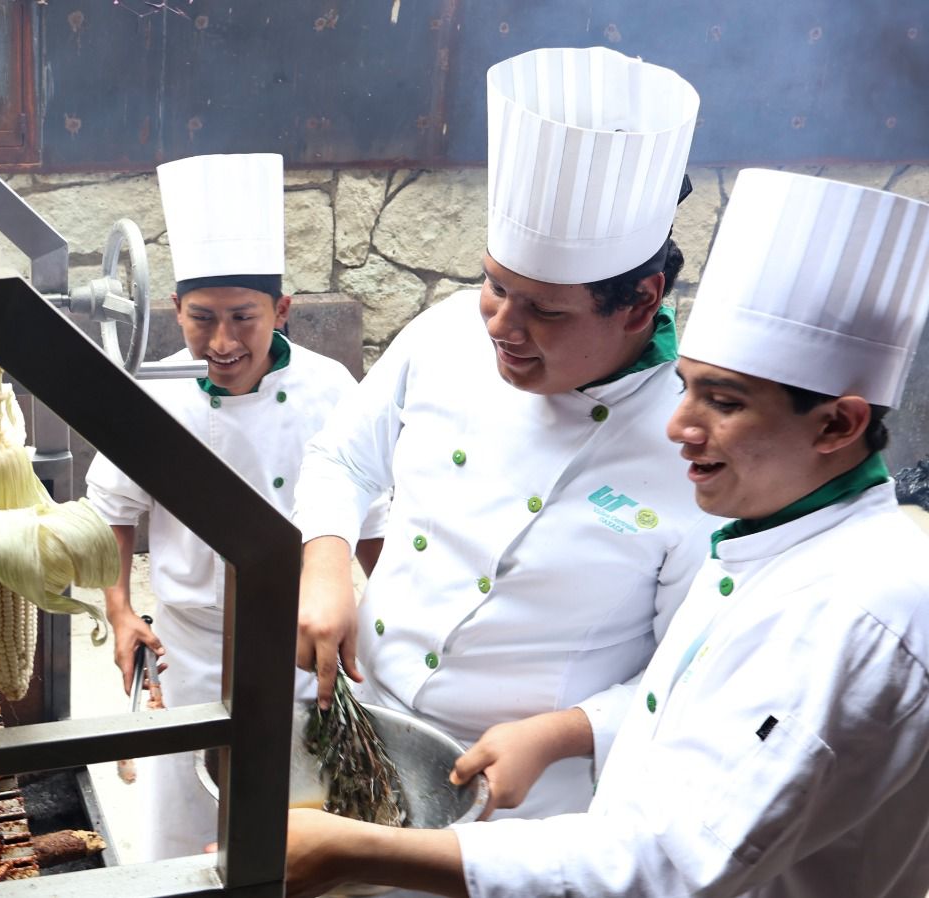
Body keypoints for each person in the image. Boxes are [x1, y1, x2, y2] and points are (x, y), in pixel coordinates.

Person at [286, 168, 929, 898]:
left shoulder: (856, 611)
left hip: (540, 825)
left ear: (838, 423)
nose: (679, 426)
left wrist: (355, 851)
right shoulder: (764, 536)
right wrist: (327, 565)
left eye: (720, 401)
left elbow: (671, 861)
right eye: (495, 287)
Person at [293, 45, 720, 824]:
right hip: (363, 730)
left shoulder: (695, 445)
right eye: (494, 283)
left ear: (640, 300)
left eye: (544, 310)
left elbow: (688, 672)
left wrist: (563, 734)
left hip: (527, 801)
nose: (500, 324)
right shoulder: (446, 334)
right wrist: (324, 560)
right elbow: (340, 457)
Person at [86, 152, 385, 861]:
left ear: (281, 311)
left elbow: (371, 523)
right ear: (176, 313)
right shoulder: (158, 394)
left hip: (300, 651)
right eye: (202, 319)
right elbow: (111, 511)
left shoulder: (331, 389)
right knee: (182, 839)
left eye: (243, 318)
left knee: (296, 835)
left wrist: (390, 621)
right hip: (190, 652)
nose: (221, 343)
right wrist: (121, 611)